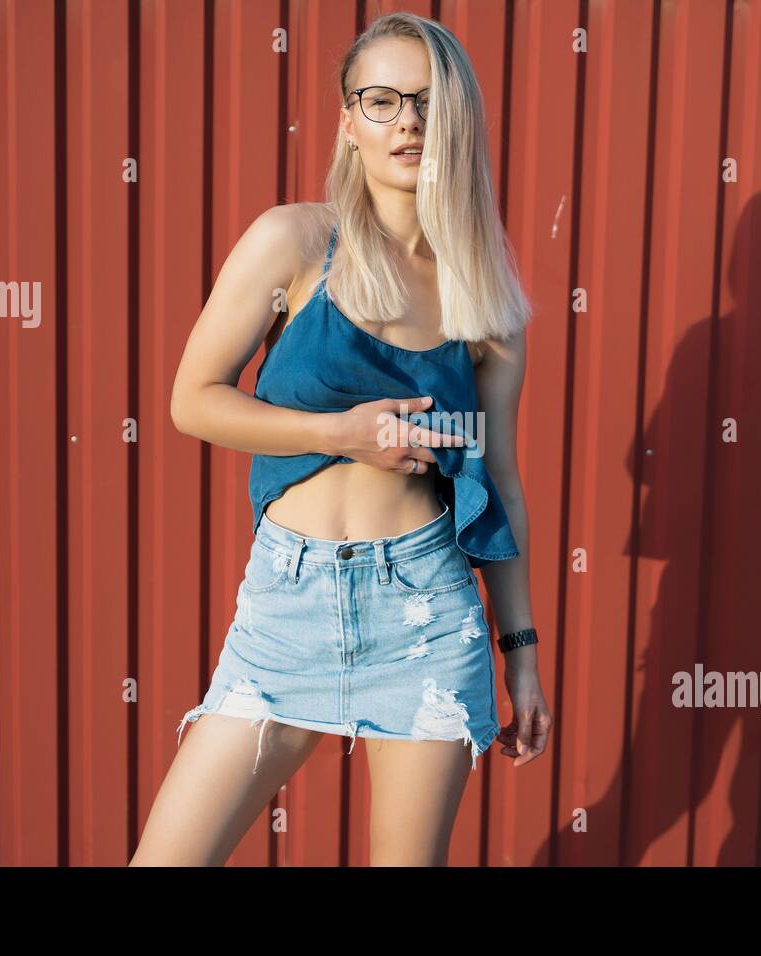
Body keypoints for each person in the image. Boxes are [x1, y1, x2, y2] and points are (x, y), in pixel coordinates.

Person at [130, 11, 552, 867]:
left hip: (428, 615)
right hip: (287, 609)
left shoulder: (482, 289)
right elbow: (191, 402)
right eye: (382, 99)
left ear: (458, 121)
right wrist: (341, 433)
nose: (408, 122)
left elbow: (499, 476)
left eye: (429, 103)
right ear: (347, 121)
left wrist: (523, 655)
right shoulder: (293, 241)